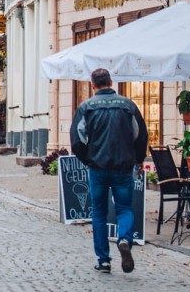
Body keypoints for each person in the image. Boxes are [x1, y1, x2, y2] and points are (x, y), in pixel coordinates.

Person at [70, 68, 148, 275]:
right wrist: (138, 160)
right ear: (111, 82)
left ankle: (103, 260)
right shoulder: (128, 105)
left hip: (98, 167)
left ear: (92, 85)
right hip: (123, 166)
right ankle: (124, 239)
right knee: (124, 208)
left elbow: (77, 140)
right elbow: (140, 135)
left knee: (98, 212)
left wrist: (89, 158)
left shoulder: (86, 107)